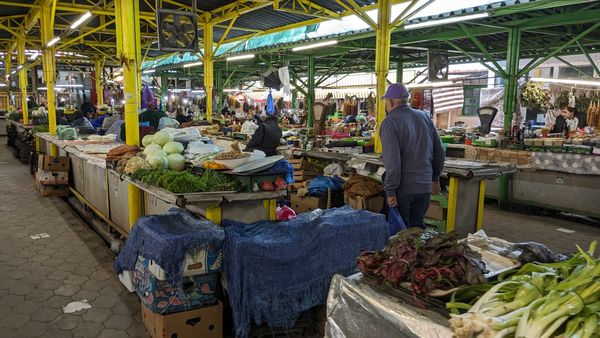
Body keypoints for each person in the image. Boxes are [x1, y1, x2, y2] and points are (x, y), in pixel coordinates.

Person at [380, 83, 445, 228]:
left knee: (402, 237)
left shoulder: (389, 123)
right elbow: (439, 151)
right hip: (424, 188)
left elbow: (393, 162)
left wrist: (390, 190)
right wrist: (434, 178)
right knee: (417, 229)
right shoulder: (424, 117)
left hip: (403, 190)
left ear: (389, 102)